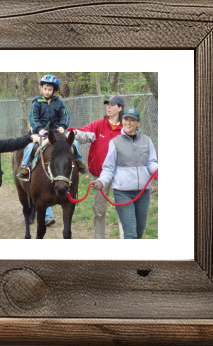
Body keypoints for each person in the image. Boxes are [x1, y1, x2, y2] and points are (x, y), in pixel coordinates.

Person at [93, 107, 158, 239]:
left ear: (138, 123)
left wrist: (157, 169)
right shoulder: (115, 143)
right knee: (130, 233)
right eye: (126, 119)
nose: (128, 123)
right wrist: (101, 181)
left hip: (143, 193)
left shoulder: (147, 141)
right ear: (122, 120)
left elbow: (151, 162)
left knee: (139, 233)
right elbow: (109, 168)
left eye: (132, 120)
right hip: (123, 193)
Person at [68, 95, 125, 239]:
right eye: (108, 104)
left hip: (122, 176)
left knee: (124, 210)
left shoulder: (126, 127)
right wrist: (74, 133)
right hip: (100, 175)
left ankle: (127, 241)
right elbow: (84, 133)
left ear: (120, 108)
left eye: (112, 105)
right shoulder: (99, 125)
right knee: (99, 210)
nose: (109, 107)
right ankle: (99, 242)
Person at [16, 74, 87, 181]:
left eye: (50, 89)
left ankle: (79, 162)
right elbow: (33, 117)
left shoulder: (59, 103)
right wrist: (39, 129)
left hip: (56, 133)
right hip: (41, 133)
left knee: (75, 143)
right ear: (41, 88)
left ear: (54, 90)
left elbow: (65, 115)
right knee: (30, 146)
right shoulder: (37, 103)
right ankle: (25, 167)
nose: (47, 91)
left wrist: (63, 126)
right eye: (45, 89)